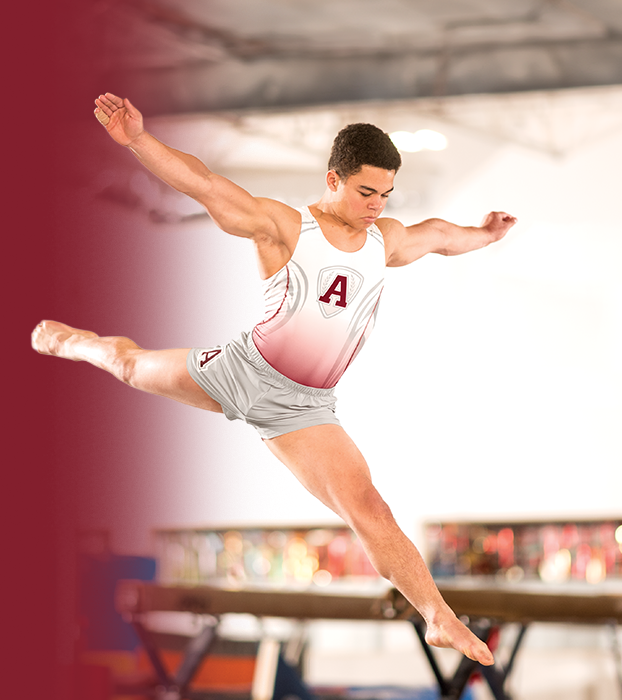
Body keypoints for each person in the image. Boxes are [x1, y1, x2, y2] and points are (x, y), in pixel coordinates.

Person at [34, 92, 518, 666]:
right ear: (334, 179)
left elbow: (438, 235)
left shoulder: (382, 240)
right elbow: (203, 184)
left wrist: (484, 235)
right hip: (246, 369)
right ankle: (72, 342)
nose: (376, 205)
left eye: (385, 194)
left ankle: (438, 616)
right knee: (131, 366)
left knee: (369, 508)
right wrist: (139, 140)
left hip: (305, 406)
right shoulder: (285, 227)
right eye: (365, 192)